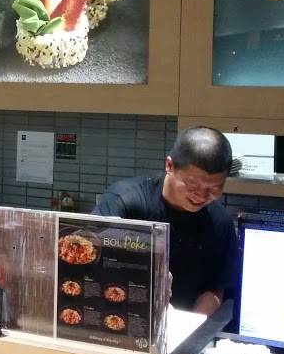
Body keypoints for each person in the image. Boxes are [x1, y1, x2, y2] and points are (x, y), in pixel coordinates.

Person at [92, 126, 237, 315]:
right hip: (122, 315)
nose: (201, 196)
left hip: (186, 324)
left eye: (214, 188)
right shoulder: (125, 202)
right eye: (192, 185)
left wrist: (188, 324)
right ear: (169, 165)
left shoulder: (220, 223)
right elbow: (92, 262)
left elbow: (215, 287)